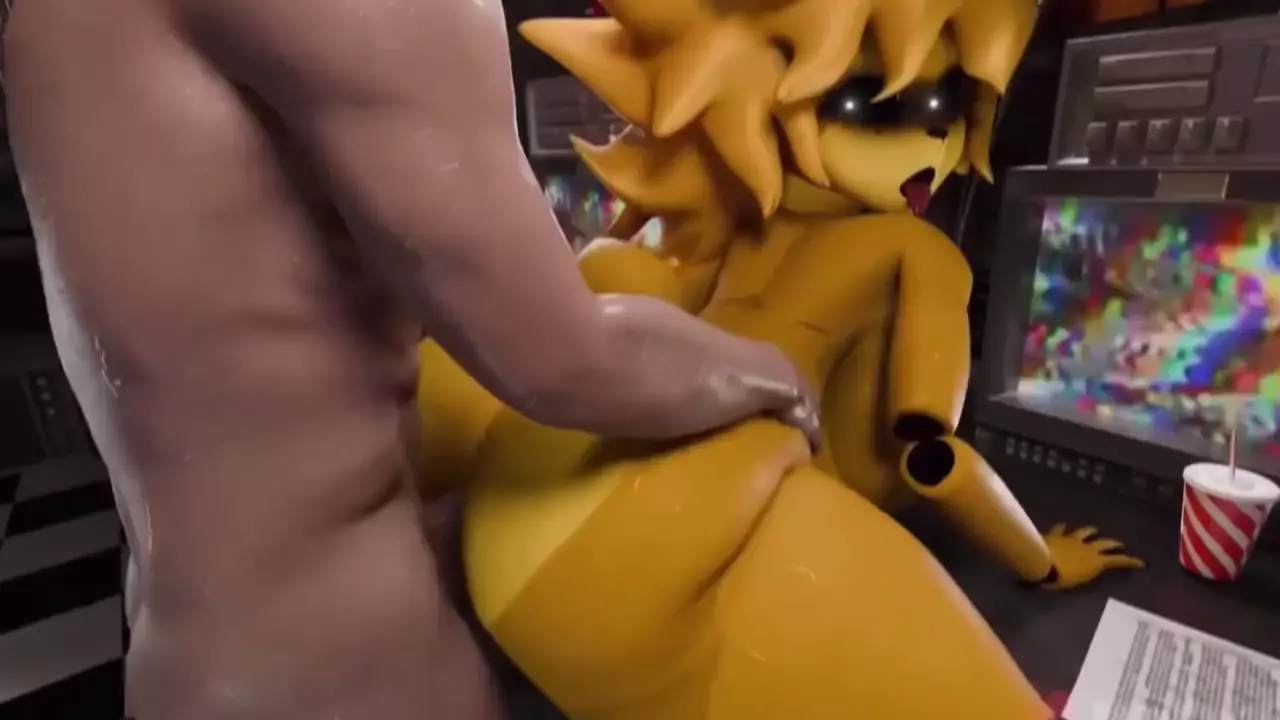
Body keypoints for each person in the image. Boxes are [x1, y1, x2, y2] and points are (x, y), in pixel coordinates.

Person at [2, 0, 819, 718]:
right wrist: (775, 375)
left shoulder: (49, 17)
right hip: (354, 678)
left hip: (183, 660)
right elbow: (565, 360)